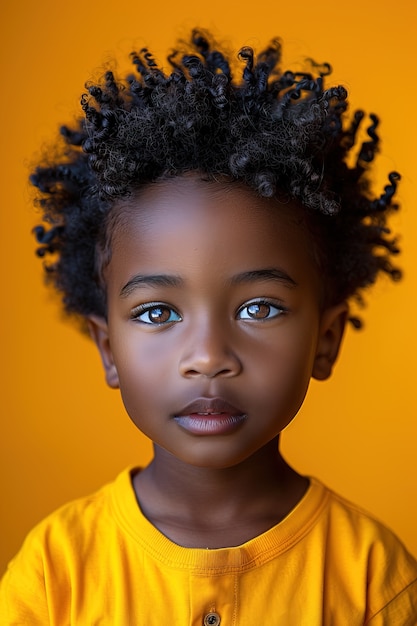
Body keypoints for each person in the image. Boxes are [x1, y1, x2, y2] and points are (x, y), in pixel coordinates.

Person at [1, 29, 416, 624]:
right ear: (108, 349)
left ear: (327, 339)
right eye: (157, 313)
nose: (208, 355)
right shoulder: (52, 576)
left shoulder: (374, 579)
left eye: (259, 308)